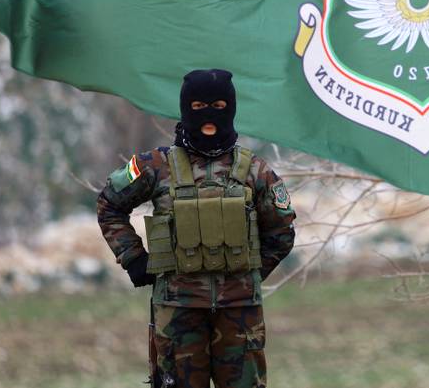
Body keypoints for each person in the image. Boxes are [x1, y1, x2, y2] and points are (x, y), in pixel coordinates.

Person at [97, 68, 295, 388]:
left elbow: (282, 232)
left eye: (218, 107)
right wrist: (133, 257)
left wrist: (249, 274)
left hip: (239, 315)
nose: (208, 117)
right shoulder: (156, 166)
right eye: (198, 108)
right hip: (177, 315)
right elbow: (109, 205)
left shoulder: (255, 171)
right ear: (185, 109)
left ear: (230, 109)